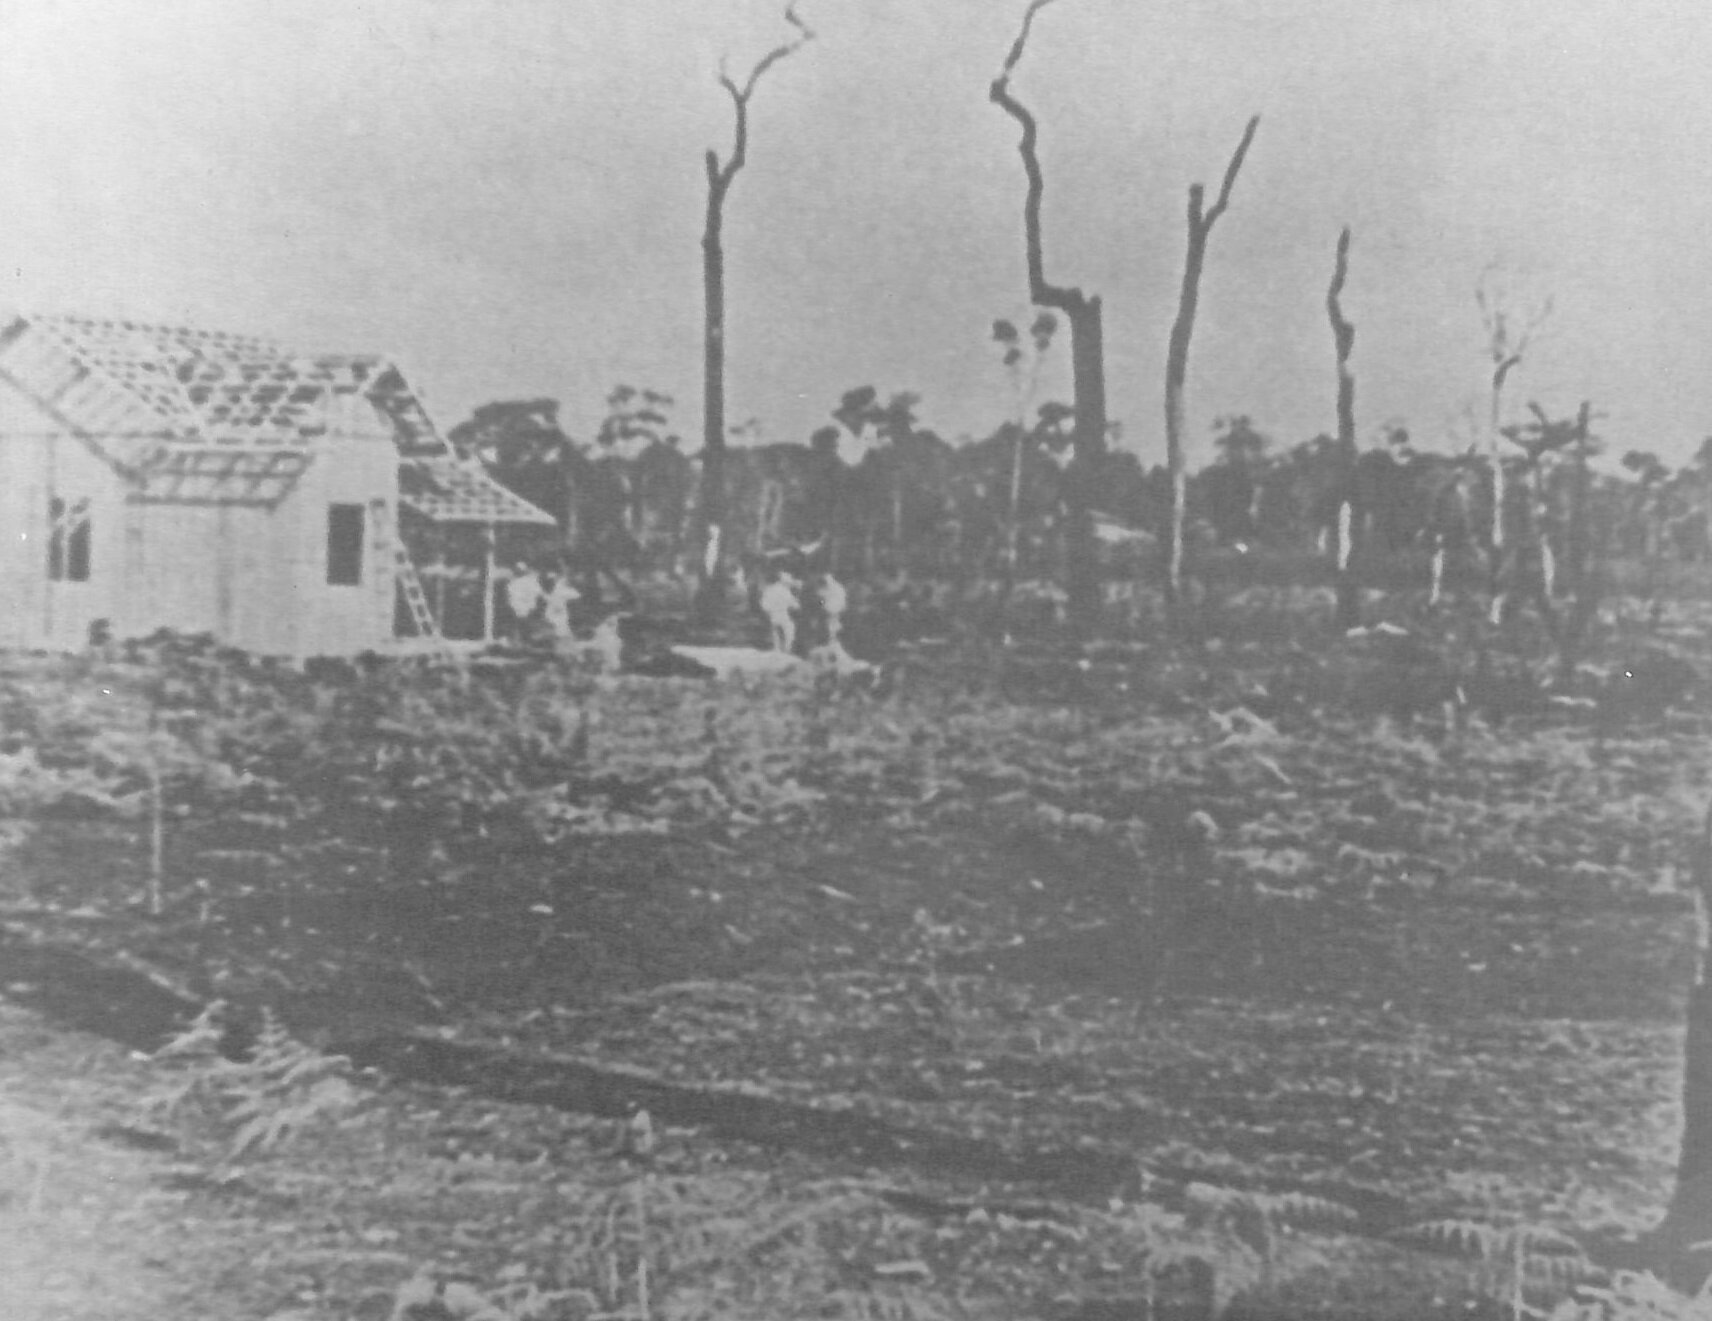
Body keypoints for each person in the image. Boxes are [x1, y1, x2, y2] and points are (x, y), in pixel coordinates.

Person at [759, 571, 800, 654]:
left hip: (773, 616)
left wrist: (769, 612)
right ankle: (787, 652)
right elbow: (795, 606)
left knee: (776, 637)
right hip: (785, 616)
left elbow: (764, 605)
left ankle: (777, 652)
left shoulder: (769, 589)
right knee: (789, 635)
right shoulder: (785, 591)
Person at [503, 562, 544, 639]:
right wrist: (511, 603)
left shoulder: (530, 580)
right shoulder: (512, 582)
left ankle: (527, 638)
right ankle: (520, 638)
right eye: (517, 569)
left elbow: (537, 593)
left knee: (527, 623)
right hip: (516, 606)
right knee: (518, 623)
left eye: (520, 569)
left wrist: (530, 603)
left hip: (527, 605)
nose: (518, 571)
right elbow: (510, 594)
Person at [816, 571, 848, 648]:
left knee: (833, 629)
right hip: (831, 613)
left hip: (835, 613)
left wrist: (822, 606)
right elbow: (821, 601)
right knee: (830, 628)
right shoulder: (824, 589)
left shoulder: (838, 589)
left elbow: (821, 601)